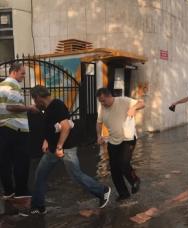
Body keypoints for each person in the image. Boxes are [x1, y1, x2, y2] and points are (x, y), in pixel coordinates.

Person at [19, 86, 111, 216]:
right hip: (53, 149)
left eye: (34, 98)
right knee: (40, 174)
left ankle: (103, 191)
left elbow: (66, 127)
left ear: (38, 96)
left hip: (65, 148)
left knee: (76, 176)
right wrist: (47, 141)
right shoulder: (47, 109)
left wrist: (59, 147)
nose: (35, 102)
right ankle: (38, 206)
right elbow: (52, 128)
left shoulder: (57, 105)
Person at [96, 88, 144, 202]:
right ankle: (123, 193)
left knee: (123, 163)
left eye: (103, 100)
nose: (102, 103)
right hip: (112, 140)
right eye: (100, 101)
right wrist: (98, 135)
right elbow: (99, 122)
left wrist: (133, 108)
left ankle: (135, 180)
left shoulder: (123, 101)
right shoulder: (102, 107)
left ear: (109, 96)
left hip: (127, 138)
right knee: (114, 169)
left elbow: (142, 103)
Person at [0, 62, 38, 200]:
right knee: (21, 161)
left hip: (3, 128)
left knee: (4, 161)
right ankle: (21, 192)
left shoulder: (1, 85)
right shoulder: (13, 85)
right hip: (16, 128)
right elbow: (11, 106)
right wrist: (29, 108)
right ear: (14, 72)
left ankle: (8, 191)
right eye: (22, 73)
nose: (23, 76)